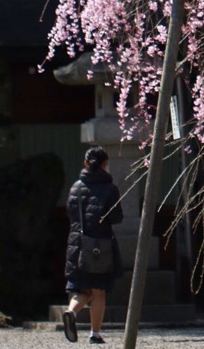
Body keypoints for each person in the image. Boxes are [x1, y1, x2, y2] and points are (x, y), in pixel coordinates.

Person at [62, 146, 123, 345]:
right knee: (98, 291)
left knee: (82, 289)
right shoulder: (111, 189)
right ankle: (94, 334)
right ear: (105, 164)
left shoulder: (76, 187)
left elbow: (70, 214)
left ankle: (71, 311)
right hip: (100, 245)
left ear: (86, 164)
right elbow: (116, 218)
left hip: (77, 244)